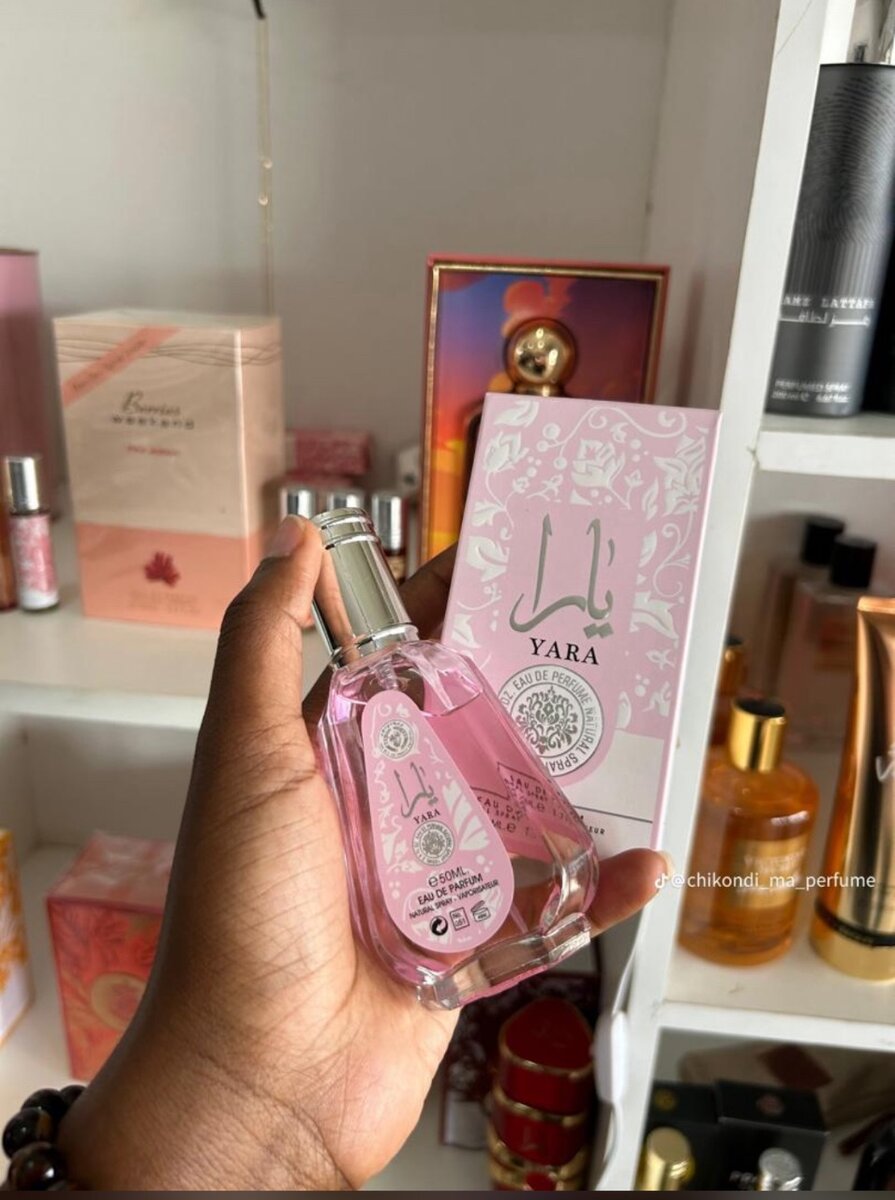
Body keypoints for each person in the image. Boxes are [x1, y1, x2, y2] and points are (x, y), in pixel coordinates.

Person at [53, 517, 667, 1190]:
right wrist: (254, 1104)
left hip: (508, 926)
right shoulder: (348, 702)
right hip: (426, 972)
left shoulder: (430, 667)